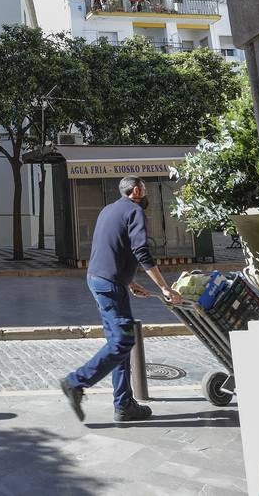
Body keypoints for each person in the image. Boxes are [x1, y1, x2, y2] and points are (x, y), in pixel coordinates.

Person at [60, 175, 182, 422]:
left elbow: (109, 248)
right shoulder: (135, 211)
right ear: (136, 191)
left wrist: (130, 281)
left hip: (99, 279)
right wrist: (165, 287)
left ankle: (124, 404)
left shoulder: (108, 210)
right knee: (123, 341)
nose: (146, 196)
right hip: (110, 284)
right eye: (145, 191)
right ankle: (75, 382)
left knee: (118, 342)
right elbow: (141, 251)